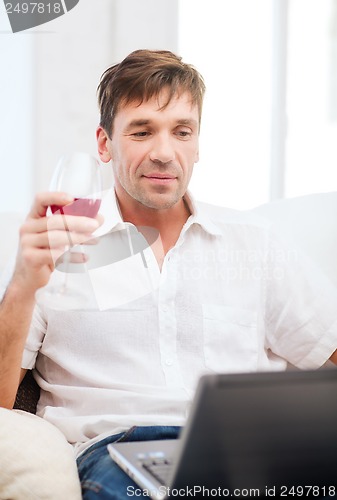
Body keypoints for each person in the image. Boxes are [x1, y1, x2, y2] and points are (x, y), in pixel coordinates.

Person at [1, 49, 337, 499]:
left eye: (182, 132)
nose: (164, 153)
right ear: (104, 144)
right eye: (142, 131)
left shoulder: (255, 243)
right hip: (118, 454)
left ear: (197, 143)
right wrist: (24, 283)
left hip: (247, 456)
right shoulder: (58, 239)